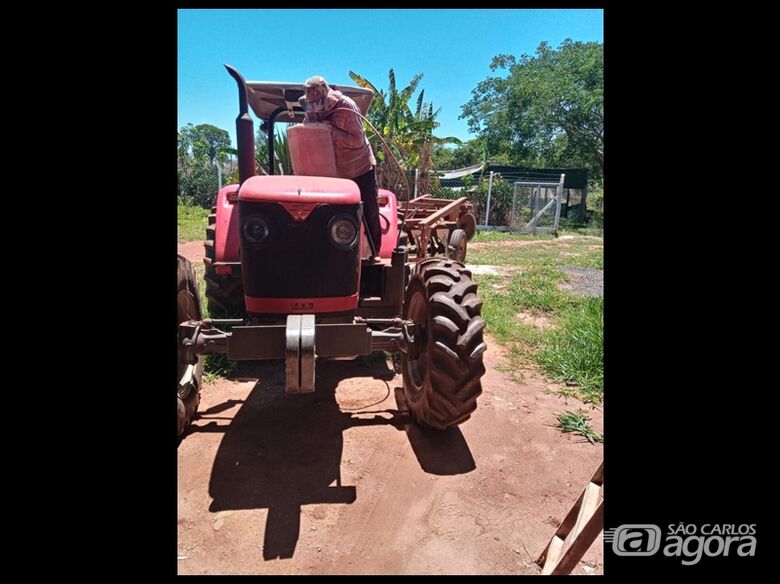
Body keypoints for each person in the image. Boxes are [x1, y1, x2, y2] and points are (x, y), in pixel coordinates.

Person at [300, 75, 382, 255]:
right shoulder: (312, 111)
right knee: (326, 211)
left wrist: (330, 130)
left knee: (368, 210)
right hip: (331, 171)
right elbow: (307, 132)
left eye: (316, 102)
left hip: (358, 167)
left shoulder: (347, 107)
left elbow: (357, 141)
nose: (314, 108)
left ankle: (374, 252)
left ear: (324, 94)